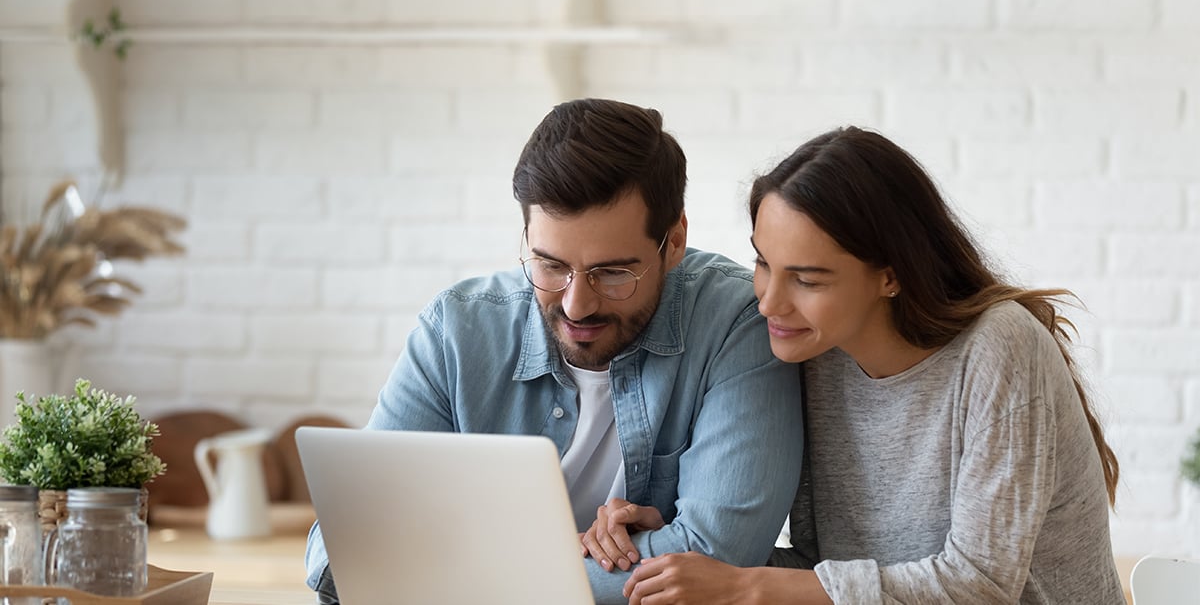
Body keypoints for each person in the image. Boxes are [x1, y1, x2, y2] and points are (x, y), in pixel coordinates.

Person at [303, 98, 804, 604]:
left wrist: (460, 572)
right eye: (549, 265)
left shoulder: (737, 322)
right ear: (526, 237)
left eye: (612, 273)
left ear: (673, 242)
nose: (577, 304)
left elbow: (718, 556)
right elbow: (342, 549)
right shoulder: (456, 331)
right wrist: (582, 560)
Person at [606, 126, 1124, 604]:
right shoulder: (816, 355)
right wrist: (679, 544)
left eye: (807, 280)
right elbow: (825, 573)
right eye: (764, 264)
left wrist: (747, 585)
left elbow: (981, 586)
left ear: (890, 276)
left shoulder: (999, 348)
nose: (768, 303)